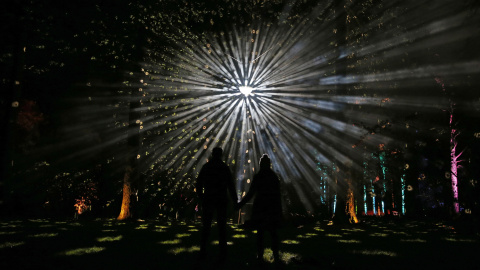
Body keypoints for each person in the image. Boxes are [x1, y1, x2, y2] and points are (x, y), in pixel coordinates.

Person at [237, 154, 283, 265]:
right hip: (271, 207)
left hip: (261, 206)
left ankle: (260, 255)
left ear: (261, 164)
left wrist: (240, 204)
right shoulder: (273, 176)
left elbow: (251, 193)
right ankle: (275, 256)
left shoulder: (259, 176)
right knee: (273, 233)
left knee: (261, 233)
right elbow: (278, 194)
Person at [195, 147, 237, 262]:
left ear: (213, 154)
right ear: (221, 155)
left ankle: (203, 250)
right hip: (221, 199)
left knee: (207, 225)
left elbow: (198, 183)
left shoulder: (207, 167)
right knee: (222, 226)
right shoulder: (224, 168)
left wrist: (201, 196)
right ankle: (222, 251)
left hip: (209, 198)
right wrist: (235, 201)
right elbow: (231, 186)